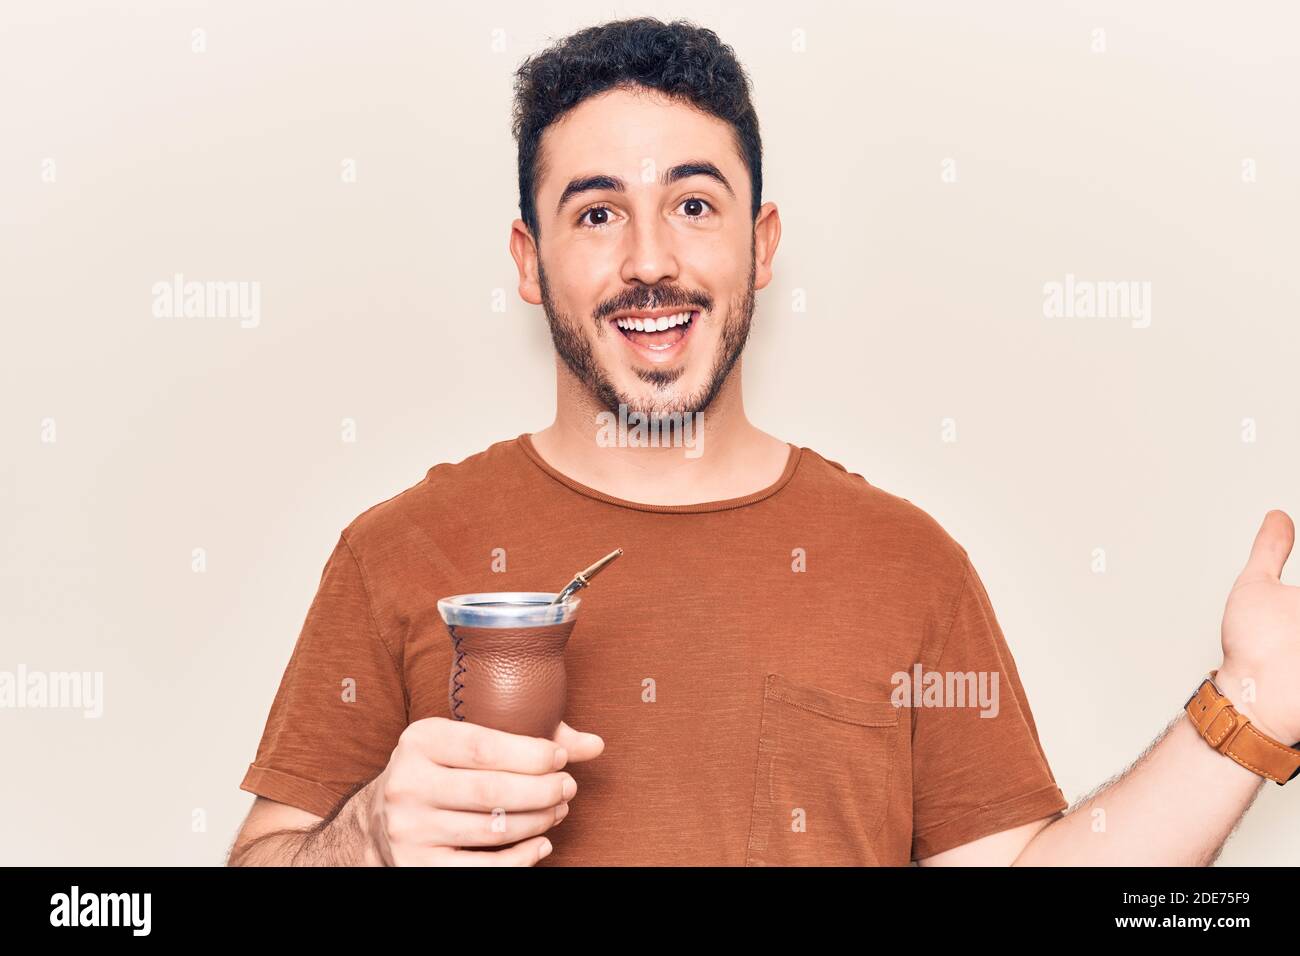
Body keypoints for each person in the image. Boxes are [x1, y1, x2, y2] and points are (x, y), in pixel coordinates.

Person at [227, 17, 1300, 866]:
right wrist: (365, 841)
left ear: (761, 242)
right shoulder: (398, 550)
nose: (651, 258)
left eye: (694, 203)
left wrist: (1251, 705)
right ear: (527, 259)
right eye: (596, 214)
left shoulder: (905, 563)